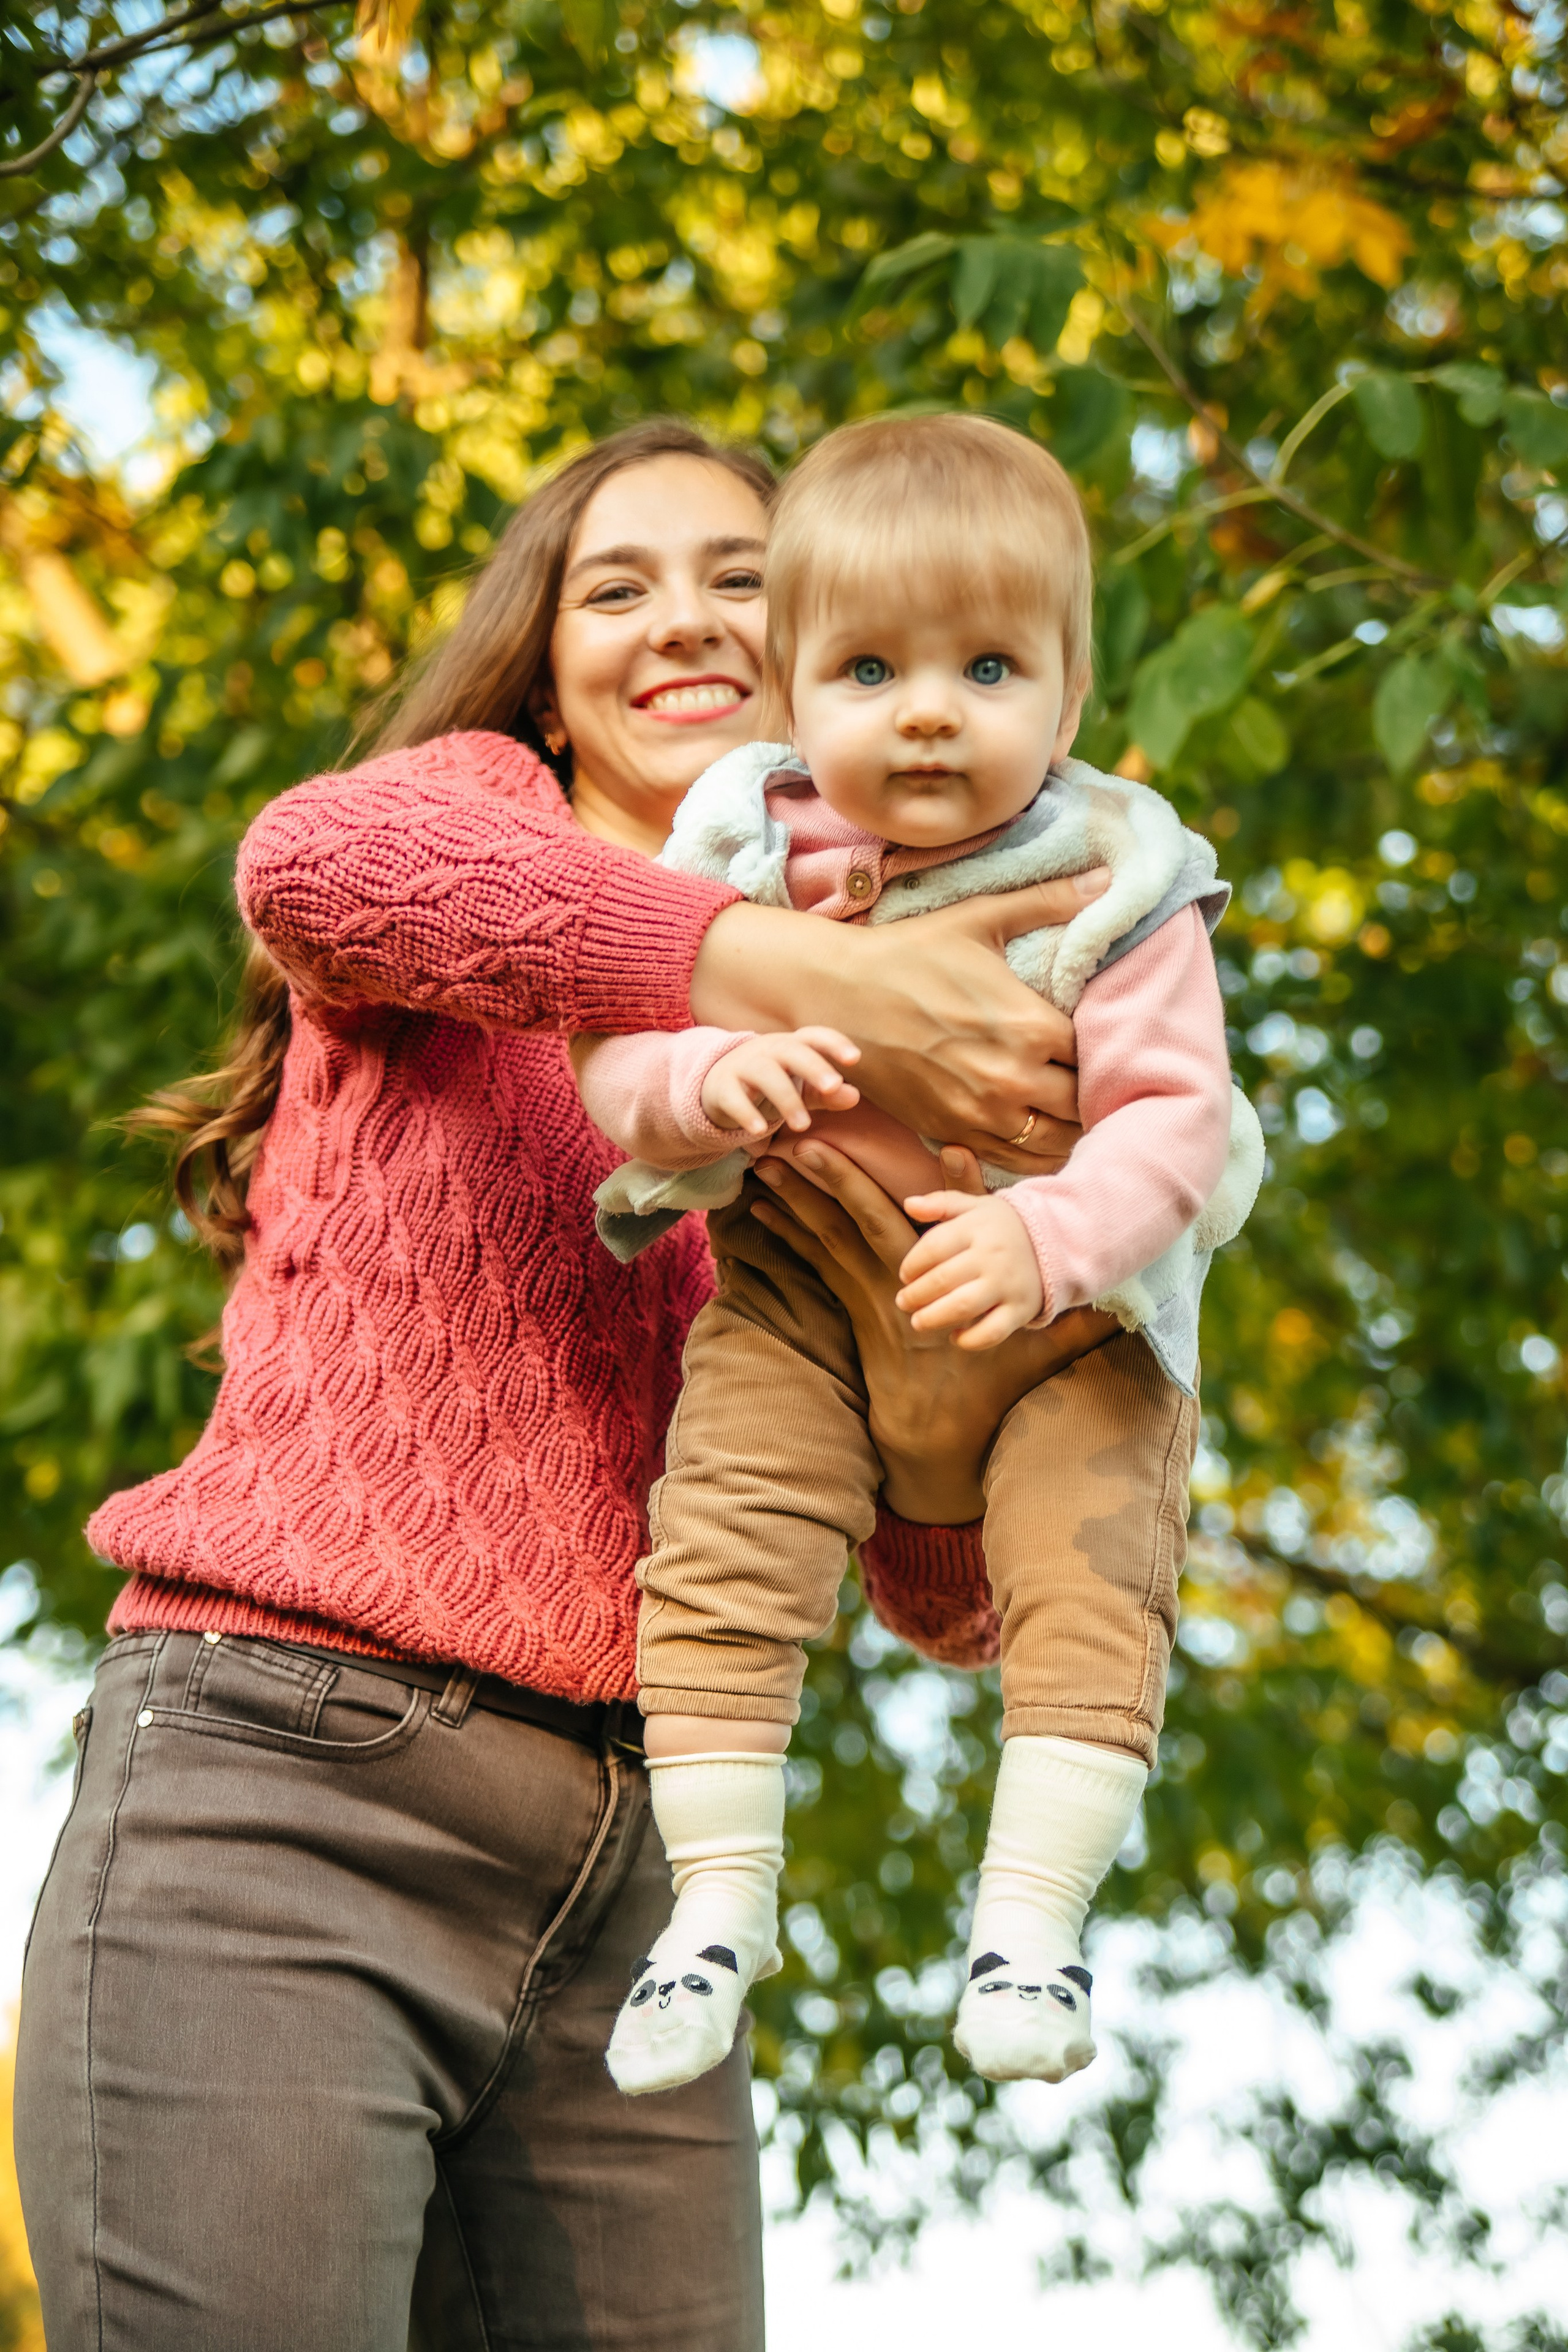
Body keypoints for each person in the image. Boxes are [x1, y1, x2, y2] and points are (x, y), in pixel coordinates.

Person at [13, 418, 1120, 2352]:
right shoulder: (478, 828)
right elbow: (314, 856)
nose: (686, 621)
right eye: (621, 588)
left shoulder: (931, 1003)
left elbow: (941, 1600)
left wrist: (968, 1357)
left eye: (745, 583)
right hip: (294, 1789)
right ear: (548, 661)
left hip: (648, 1893)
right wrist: (804, 973)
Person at [574, 415, 1261, 2102]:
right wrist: (707, 1078)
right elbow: (617, 1061)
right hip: (804, 1292)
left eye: (988, 666)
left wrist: (1048, 1233)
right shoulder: (739, 856)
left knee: (1093, 1574)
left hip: (1069, 1325)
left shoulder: (1118, 877)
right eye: (871, 667)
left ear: (1069, 704)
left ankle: (1031, 1924)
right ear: (791, 696)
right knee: (722, 1544)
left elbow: (1183, 1126)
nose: (931, 708)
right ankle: (715, 1908)